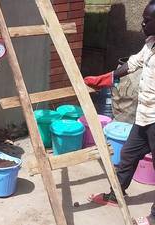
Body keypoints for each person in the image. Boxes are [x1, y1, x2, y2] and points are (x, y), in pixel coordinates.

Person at [84, 1, 155, 224]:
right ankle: (116, 194)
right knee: (128, 155)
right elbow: (133, 63)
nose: (142, 23)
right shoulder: (151, 44)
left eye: (147, 20)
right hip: (144, 116)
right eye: (143, 18)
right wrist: (107, 78)